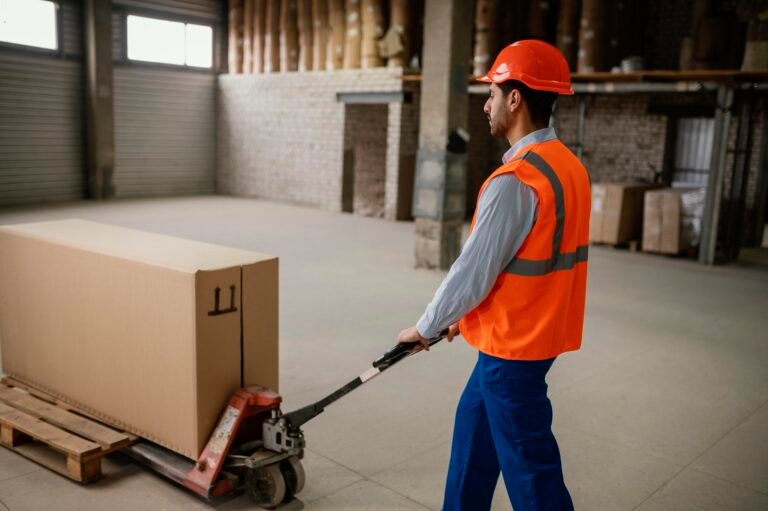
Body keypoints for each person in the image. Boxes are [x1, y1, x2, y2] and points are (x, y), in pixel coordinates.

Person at [396, 40, 590, 511]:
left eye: (492, 94)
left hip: (514, 351)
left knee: (532, 475)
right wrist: (462, 319)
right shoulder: (569, 167)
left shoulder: (516, 181)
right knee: (472, 441)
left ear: (515, 98)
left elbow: (473, 272)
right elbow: (524, 262)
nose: (486, 105)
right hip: (528, 337)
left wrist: (425, 326)